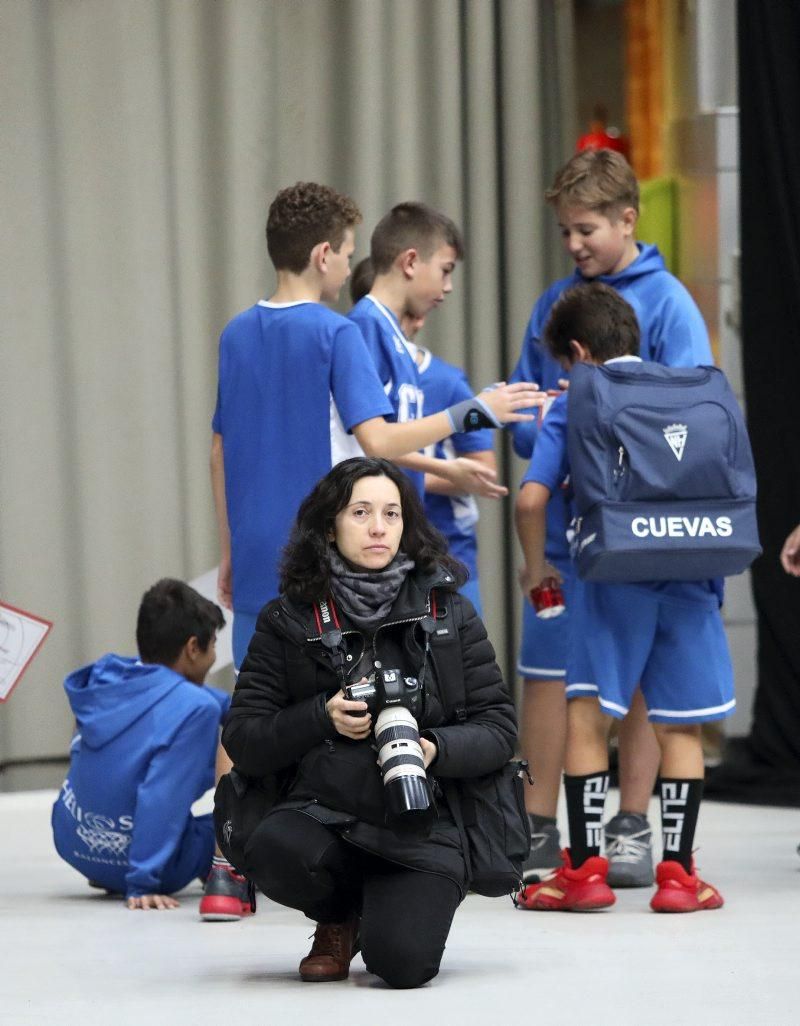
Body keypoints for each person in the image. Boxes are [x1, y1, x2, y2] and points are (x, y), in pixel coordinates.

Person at [211, 182, 541, 668]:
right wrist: (476, 411)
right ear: (324, 255)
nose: (351, 267)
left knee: (257, 720)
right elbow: (380, 440)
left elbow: (219, 454)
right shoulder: (337, 333)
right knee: (337, 719)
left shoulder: (234, 334)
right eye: (347, 253)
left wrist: (229, 551)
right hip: (318, 567)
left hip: (254, 560)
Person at [222, 457, 517, 987]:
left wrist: (433, 748)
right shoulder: (288, 618)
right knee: (272, 849)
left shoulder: (449, 614)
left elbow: (498, 728)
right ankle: (337, 914)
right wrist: (321, 716)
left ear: (407, 526)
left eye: (391, 514)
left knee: (403, 967)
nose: (379, 527)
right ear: (329, 525)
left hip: (425, 820)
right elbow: (244, 738)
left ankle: (387, 908)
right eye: (360, 512)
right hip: (322, 810)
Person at [509, 148, 714, 886]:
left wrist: (598, 437)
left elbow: (693, 418)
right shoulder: (556, 301)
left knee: (637, 681)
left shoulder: (671, 305)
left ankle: (631, 825)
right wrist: (544, 433)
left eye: (586, 228)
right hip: (565, 533)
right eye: (564, 231)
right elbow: (530, 413)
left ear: (629, 220)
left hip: (640, 538)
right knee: (548, 671)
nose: (573, 245)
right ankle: (537, 826)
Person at [51, 579, 241, 913]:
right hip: (136, 866)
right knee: (247, 816)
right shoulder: (195, 709)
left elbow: (184, 694)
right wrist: (143, 880)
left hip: (74, 843)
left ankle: (111, 872)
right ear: (193, 648)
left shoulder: (109, 676)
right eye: (212, 646)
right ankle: (140, 872)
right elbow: (161, 796)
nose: (214, 657)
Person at [350, 257, 495, 615]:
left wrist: (426, 474)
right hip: (378, 554)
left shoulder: (447, 382)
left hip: (445, 549)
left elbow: (483, 470)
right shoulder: (350, 369)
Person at [348, 202, 502, 503]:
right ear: (410, 262)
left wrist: (445, 468)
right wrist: (474, 412)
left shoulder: (394, 336)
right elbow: (373, 442)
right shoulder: (364, 326)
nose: (449, 287)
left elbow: (388, 443)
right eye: (445, 271)